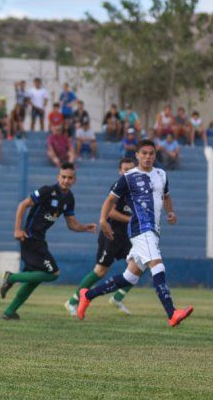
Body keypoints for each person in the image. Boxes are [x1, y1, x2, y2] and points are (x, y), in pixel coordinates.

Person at [77, 139, 193, 327]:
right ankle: (172, 313)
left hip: (153, 230)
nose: (148, 157)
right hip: (141, 228)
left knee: (129, 277)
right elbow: (109, 200)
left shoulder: (161, 174)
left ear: (155, 155)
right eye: (144, 153)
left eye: (151, 153)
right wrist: (102, 220)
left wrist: (170, 212)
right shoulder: (128, 177)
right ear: (137, 155)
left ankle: (87, 295)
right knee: (158, 266)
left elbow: (166, 196)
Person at [0, 163, 96, 320]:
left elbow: (72, 224)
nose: (66, 180)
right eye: (63, 177)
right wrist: (17, 229)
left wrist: (85, 228)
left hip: (39, 239)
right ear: (58, 177)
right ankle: (11, 278)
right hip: (30, 237)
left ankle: (10, 312)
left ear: (74, 180)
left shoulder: (69, 198)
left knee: (35, 278)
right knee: (53, 273)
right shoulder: (46, 191)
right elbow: (23, 205)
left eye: (70, 178)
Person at [65, 158, 136, 317]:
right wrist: (131, 220)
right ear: (120, 171)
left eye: (131, 170)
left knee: (140, 265)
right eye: (125, 169)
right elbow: (110, 212)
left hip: (127, 236)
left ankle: (117, 298)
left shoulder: (137, 189)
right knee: (100, 271)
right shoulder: (118, 188)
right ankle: (72, 301)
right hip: (111, 235)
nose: (128, 173)